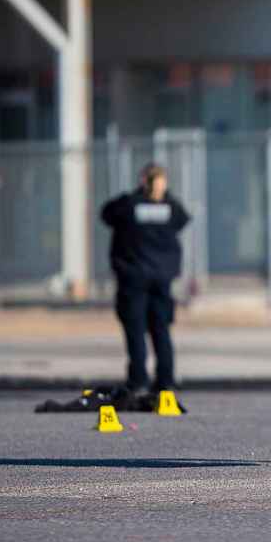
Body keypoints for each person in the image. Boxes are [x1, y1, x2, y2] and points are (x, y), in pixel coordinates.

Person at [101, 163, 190, 397]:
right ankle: (166, 381)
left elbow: (107, 214)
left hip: (133, 277)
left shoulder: (129, 205)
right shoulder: (171, 208)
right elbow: (182, 220)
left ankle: (139, 380)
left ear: (143, 181)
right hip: (161, 278)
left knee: (135, 330)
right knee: (161, 329)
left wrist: (136, 195)